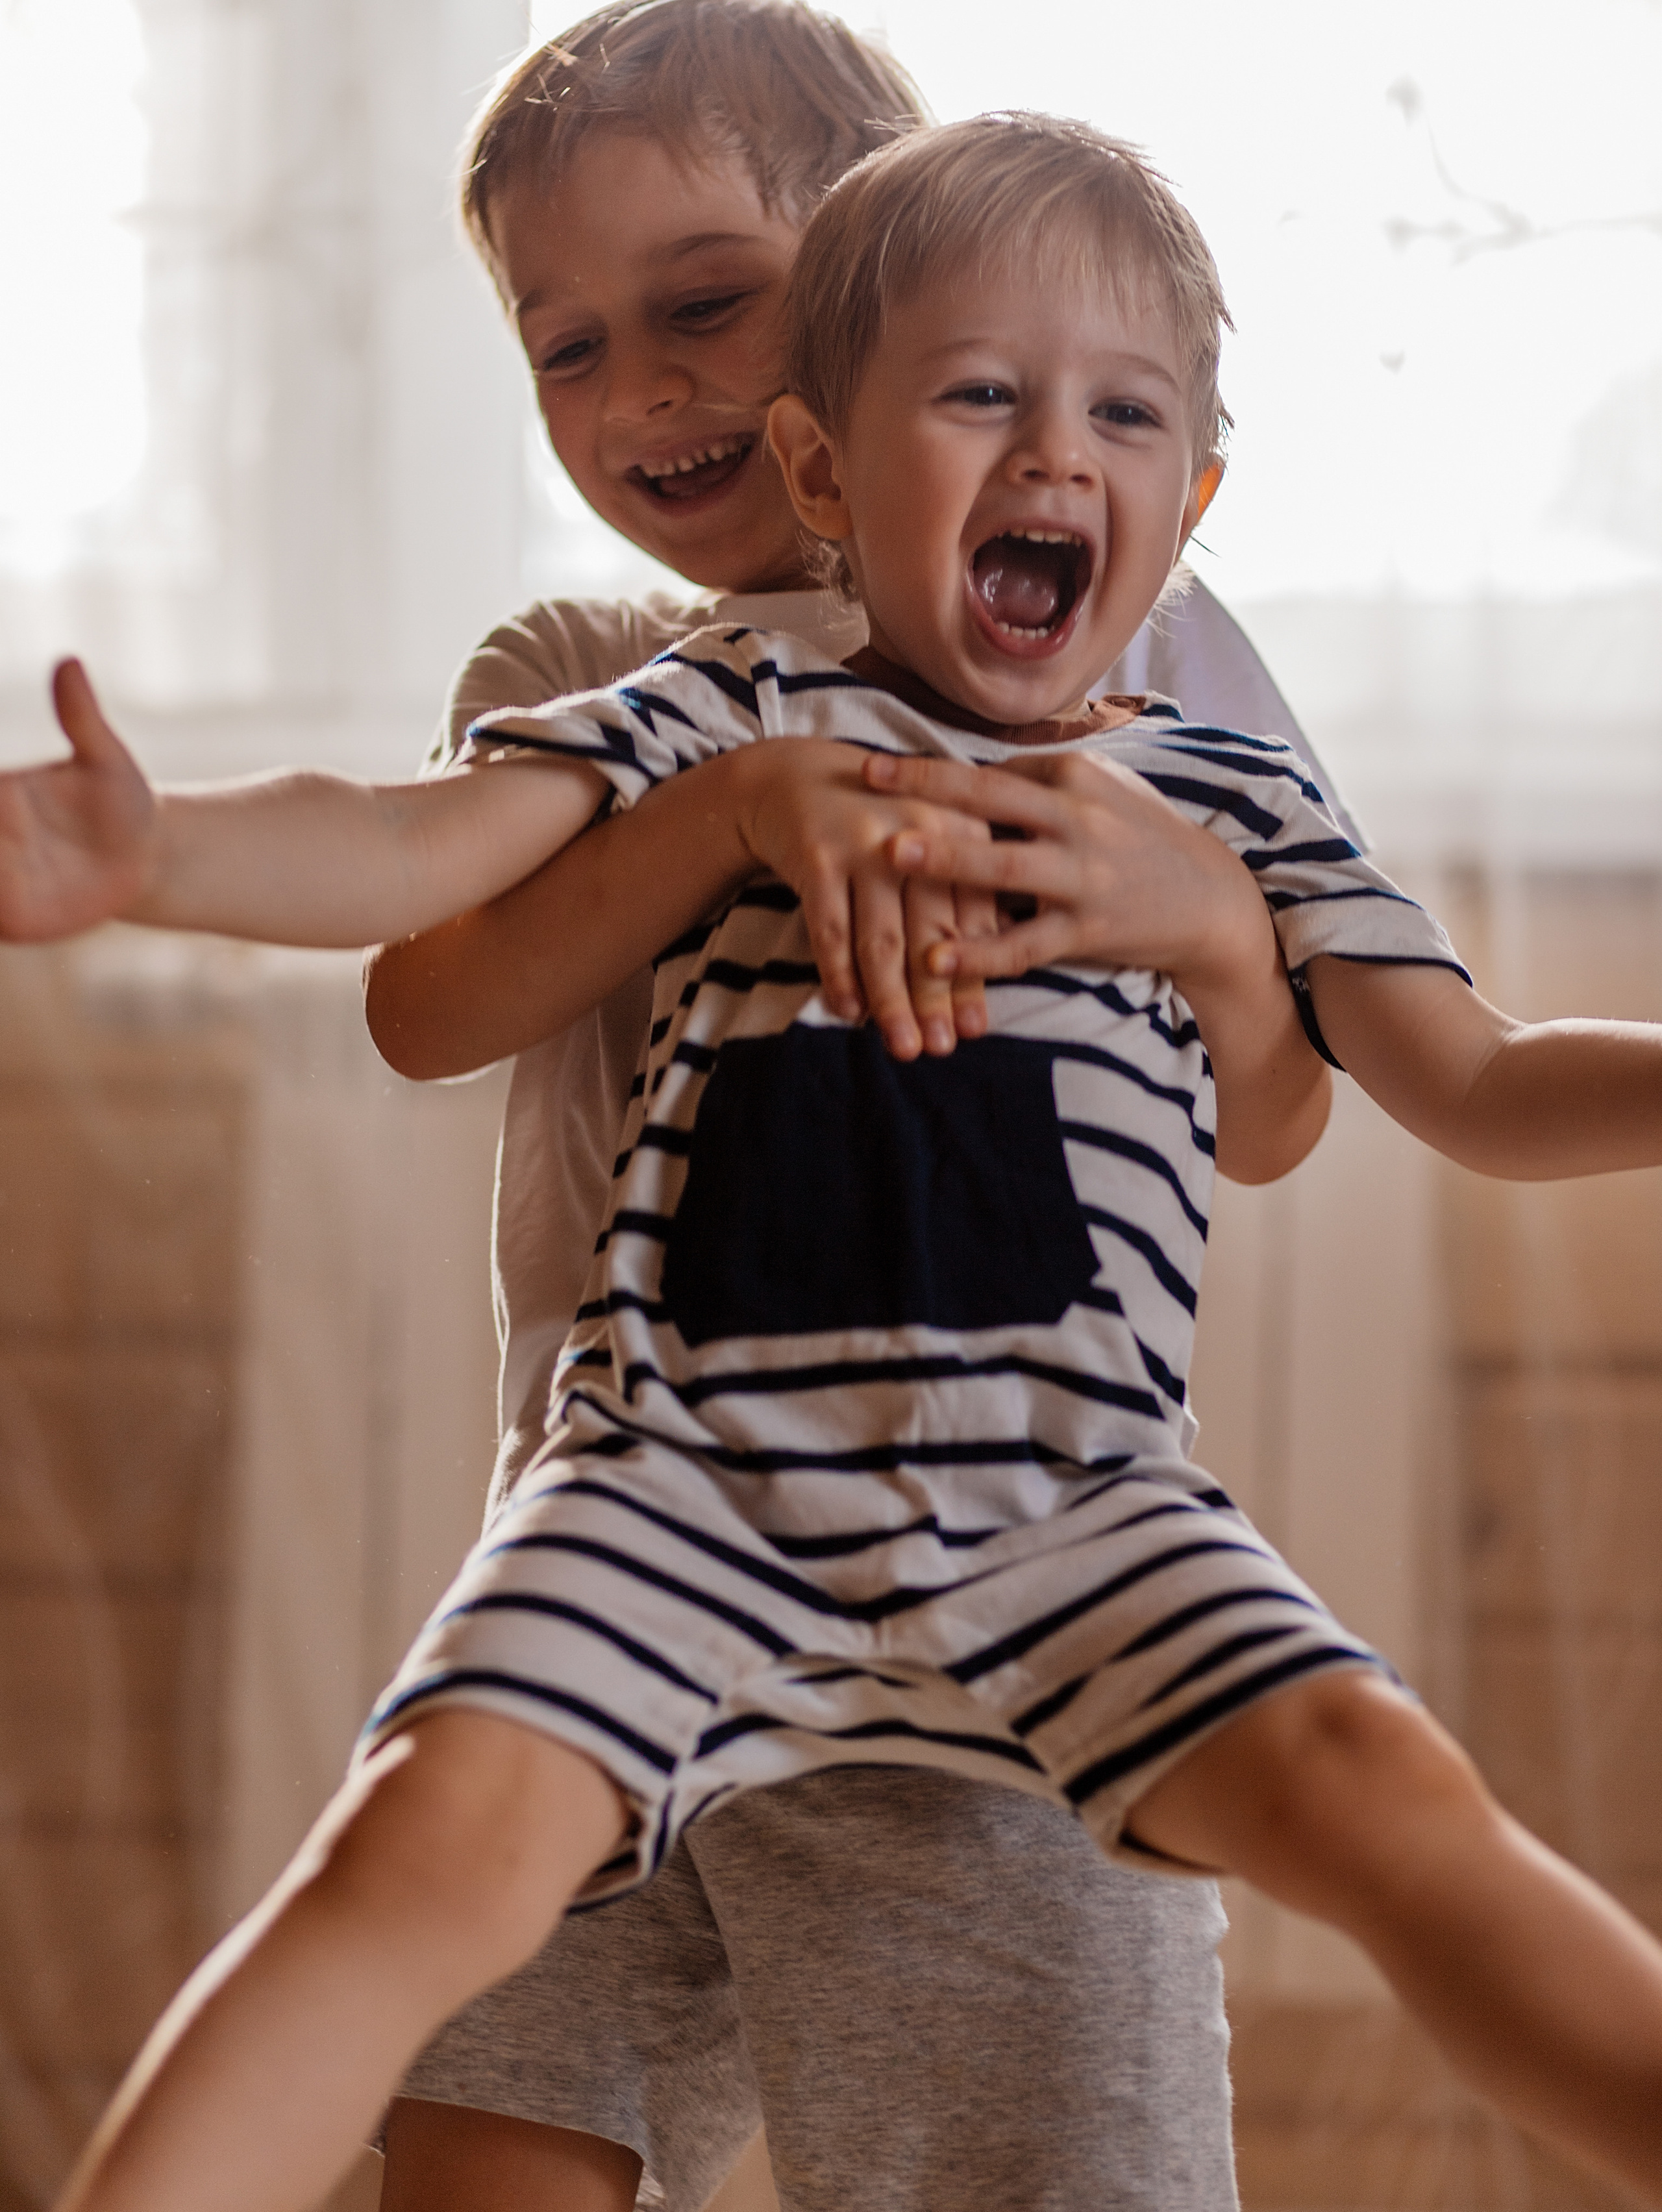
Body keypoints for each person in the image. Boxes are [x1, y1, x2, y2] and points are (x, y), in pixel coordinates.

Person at [9, 109, 1662, 2212]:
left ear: (1191, 504)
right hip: (679, 1484)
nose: (1055, 451)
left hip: (1072, 1504)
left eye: (1123, 415)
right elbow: (418, 852)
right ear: (825, 471)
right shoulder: (730, 699)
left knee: (1386, 1793)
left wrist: (1215, 938)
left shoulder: (1227, 799)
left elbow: (1479, 1078)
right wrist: (156, 854)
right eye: (980, 396)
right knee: (415, 1853)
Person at [360, 12, 1354, 2206]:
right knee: (481, 2142)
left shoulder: (1141, 657)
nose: (643, 391)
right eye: (569, 345)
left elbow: (1276, 1116)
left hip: (981, 1618)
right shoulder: (573, 674)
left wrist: (1212, 930)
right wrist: (729, 807)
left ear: (895, 259)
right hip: (612, 1582)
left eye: (706, 303)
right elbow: (423, 1010)